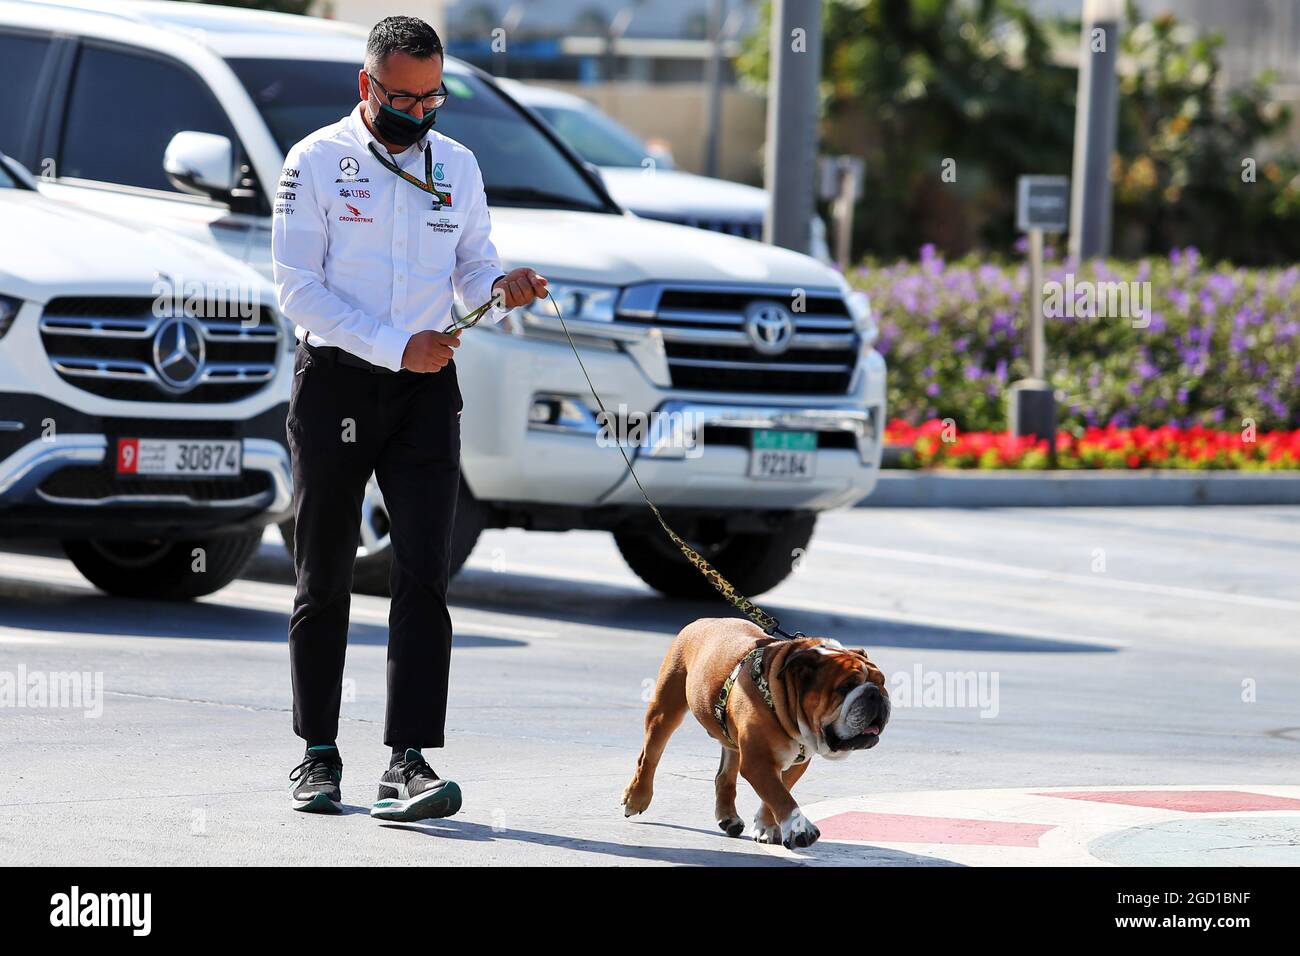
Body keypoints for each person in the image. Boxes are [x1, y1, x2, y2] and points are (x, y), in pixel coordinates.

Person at [272, 15, 547, 822]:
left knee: (424, 574)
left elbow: (472, 271)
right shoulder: (314, 161)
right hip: (337, 384)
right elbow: (298, 288)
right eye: (402, 97)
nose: (418, 113)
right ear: (366, 86)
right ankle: (317, 756)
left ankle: (409, 760)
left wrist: (501, 293)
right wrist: (398, 346)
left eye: (434, 99)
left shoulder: (456, 165)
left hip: (427, 391)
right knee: (323, 574)